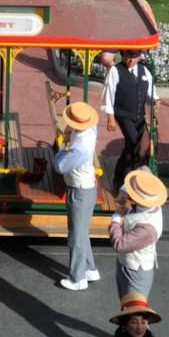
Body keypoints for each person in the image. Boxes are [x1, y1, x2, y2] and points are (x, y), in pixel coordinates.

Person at [56, 99, 101, 291]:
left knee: (75, 235)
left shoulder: (78, 148)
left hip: (79, 190)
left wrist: (63, 145)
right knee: (83, 232)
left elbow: (60, 166)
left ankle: (77, 278)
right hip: (88, 186)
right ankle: (90, 268)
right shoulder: (91, 131)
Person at [108, 167, 166, 304]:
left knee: (133, 310)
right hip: (128, 263)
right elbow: (144, 171)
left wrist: (116, 219)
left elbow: (119, 244)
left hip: (135, 272)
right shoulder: (150, 200)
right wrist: (124, 190)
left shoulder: (147, 229)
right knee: (126, 306)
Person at [100, 50, 154, 194]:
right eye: (128, 57)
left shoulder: (144, 70)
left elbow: (151, 88)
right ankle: (127, 178)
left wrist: (156, 98)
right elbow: (109, 93)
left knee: (136, 145)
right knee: (134, 142)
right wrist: (110, 117)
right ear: (123, 56)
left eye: (134, 57)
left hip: (139, 115)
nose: (131, 61)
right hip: (122, 114)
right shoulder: (116, 71)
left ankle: (121, 177)